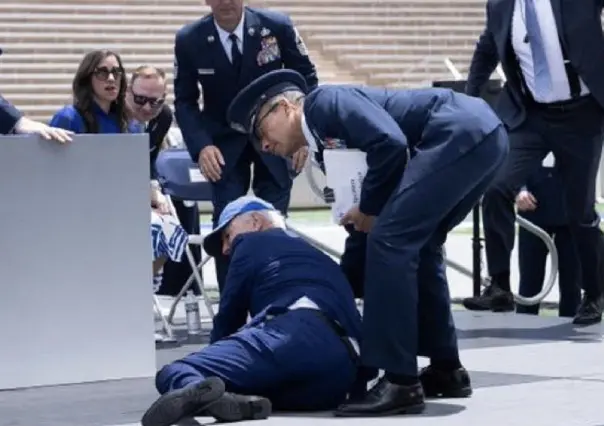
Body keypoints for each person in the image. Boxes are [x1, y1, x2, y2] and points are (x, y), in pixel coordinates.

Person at [227, 69, 509, 416]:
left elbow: (389, 144)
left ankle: (400, 382)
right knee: (419, 244)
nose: (264, 146)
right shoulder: (324, 143)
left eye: (260, 132)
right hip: (480, 134)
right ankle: (446, 369)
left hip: (458, 131)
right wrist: (342, 283)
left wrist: (371, 211)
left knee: (391, 241)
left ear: (285, 107)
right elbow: (363, 220)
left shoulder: (324, 104)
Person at [142, 195, 364, 426]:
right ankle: (232, 402)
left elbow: (229, 318)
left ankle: (199, 393)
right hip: (342, 369)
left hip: (294, 334)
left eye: (228, 236)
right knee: (262, 384)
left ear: (256, 221)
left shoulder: (251, 242)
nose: (226, 249)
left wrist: (214, 361)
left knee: (177, 370)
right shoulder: (320, 258)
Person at [462, 0, 604, 325]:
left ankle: (594, 294)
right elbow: (487, 47)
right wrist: (469, 100)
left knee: (579, 211)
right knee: (496, 188)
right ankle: (499, 285)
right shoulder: (500, 5)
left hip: (581, 115)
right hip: (531, 114)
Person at [173, 0, 318, 291]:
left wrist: (302, 133)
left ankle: (276, 296)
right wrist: (202, 146)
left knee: (275, 223)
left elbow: (308, 80)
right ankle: (233, 305)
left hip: (279, 140)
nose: (226, 2)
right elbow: (185, 101)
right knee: (227, 225)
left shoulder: (277, 26)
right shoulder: (190, 39)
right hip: (223, 146)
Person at [126, 65, 203, 296]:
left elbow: (148, 159)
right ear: (127, 92)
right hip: (111, 193)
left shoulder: (164, 117)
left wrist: (153, 190)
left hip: (139, 187)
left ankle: (144, 286)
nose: (147, 107)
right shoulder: (112, 115)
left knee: (174, 221)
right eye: (140, 100)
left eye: (155, 102)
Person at [514, 155, 581, 317]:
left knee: (572, 283)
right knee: (529, 282)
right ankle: (523, 327)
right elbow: (516, 160)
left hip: (571, 211)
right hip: (533, 209)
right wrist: (519, 189)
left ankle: (569, 329)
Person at [49, 49, 141, 134]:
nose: (111, 79)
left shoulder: (129, 124)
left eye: (116, 72)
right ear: (87, 78)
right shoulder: (68, 118)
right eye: (102, 73)